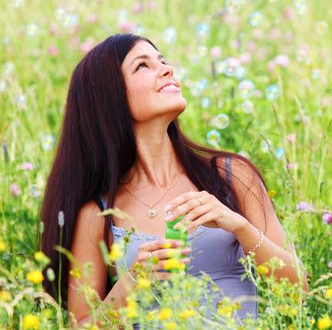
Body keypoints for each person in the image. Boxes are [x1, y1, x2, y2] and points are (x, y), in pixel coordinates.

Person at [39, 33, 308, 327]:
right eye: (142, 66)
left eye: (163, 61)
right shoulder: (98, 214)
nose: (167, 69)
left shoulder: (231, 176)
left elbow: (299, 292)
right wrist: (133, 281)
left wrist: (239, 227)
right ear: (109, 96)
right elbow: (82, 325)